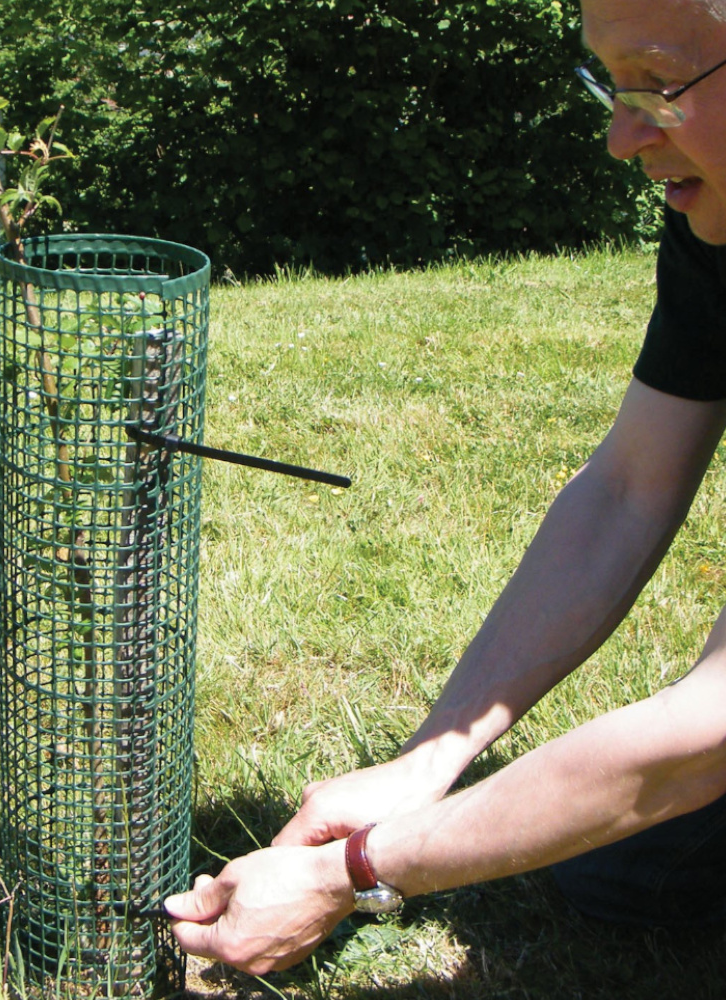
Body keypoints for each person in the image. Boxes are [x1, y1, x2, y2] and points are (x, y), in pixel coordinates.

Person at [163, 0, 726, 977]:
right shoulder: (714, 226)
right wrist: (424, 764)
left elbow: (711, 727)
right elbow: (628, 489)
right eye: (610, 85)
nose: (620, 137)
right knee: (618, 877)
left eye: (659, 85)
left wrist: (355, 871)